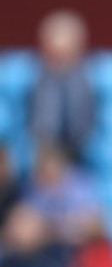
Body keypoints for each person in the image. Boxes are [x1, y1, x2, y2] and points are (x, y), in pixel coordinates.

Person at [29, 10, 96, 163]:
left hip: (83, 152)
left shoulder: (92, 81)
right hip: (44, 155)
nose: (60, 61)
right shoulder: (34, 82)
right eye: (55, 55)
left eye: (65, 54)